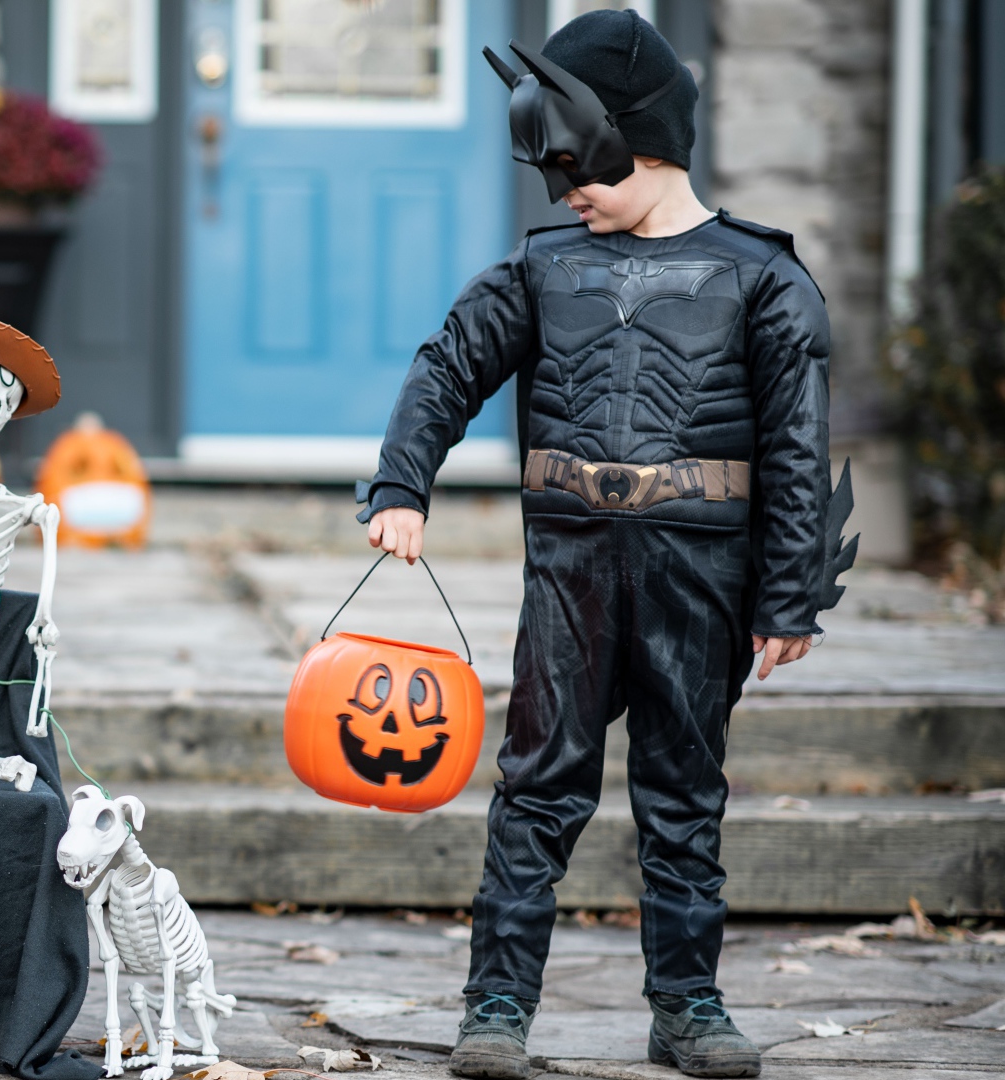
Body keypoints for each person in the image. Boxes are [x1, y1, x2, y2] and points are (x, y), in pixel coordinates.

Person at [359, 12, 851, 1080]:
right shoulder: (544, 272)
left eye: (577, 168)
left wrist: (788, 594)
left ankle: (687, 1005)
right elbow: (446, 366)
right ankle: (496, 1007)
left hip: (700, 576)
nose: (564, 194)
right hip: (572, 571)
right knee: (538, 786)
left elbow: (798, 444)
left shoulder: (764, 278)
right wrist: (403, 482)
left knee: (683, 793)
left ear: (641, 137)